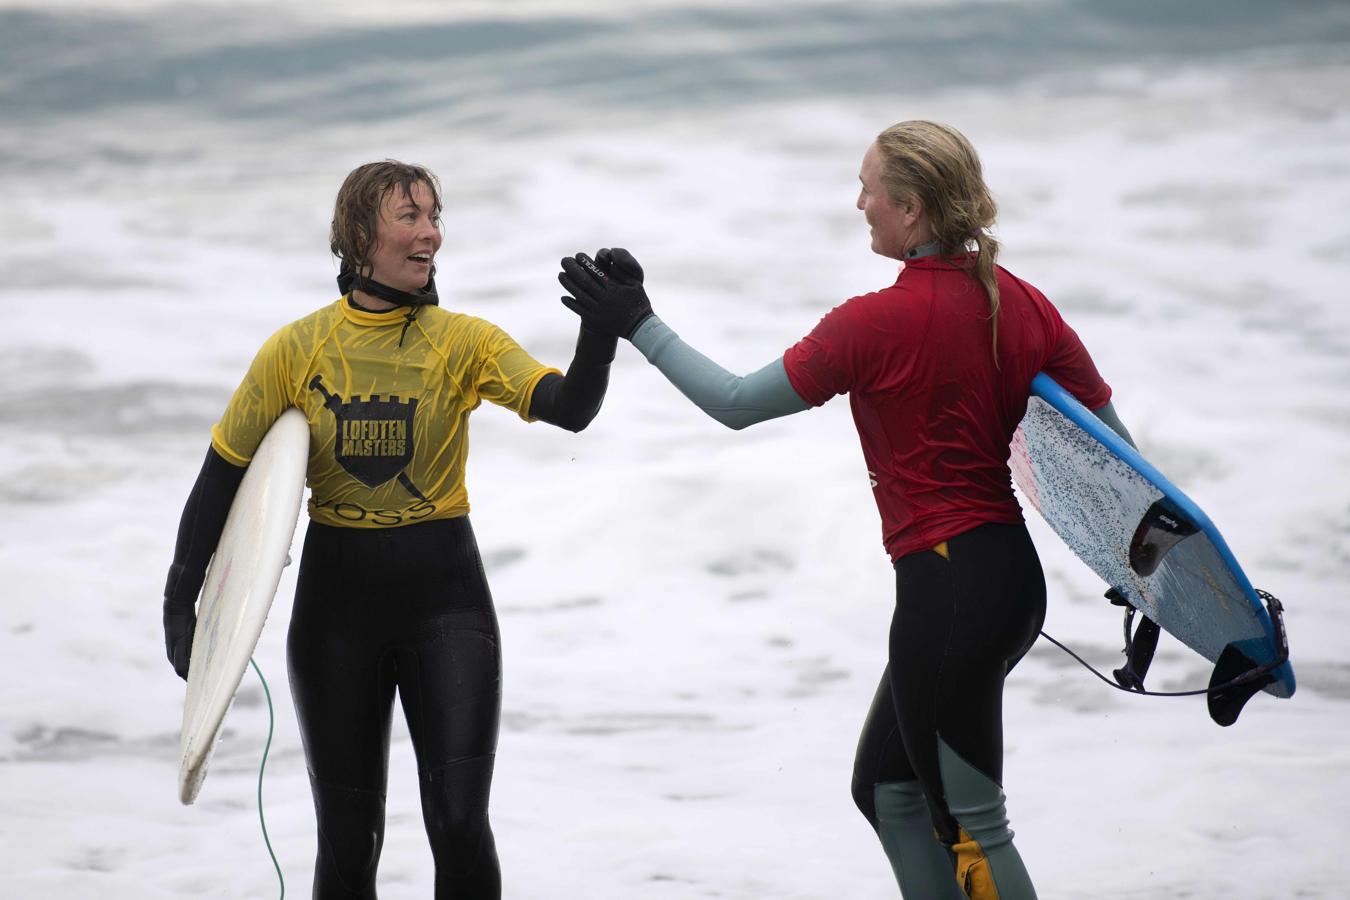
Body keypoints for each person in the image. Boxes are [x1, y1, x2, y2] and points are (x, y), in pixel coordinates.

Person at [557, 120, 1134, 900]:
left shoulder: (874, 324)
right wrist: (1148, 577)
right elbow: (1117, 455)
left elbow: (733, 403)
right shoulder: (1024, 305)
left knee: (973, 826)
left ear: (912, 209)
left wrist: (639, 325)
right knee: (889, 791)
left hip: (949, 591)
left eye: (871, 189)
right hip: (1006, 584)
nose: (859, 202)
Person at [162, 160, 617, 899]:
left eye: (434, 217)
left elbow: (568, 408)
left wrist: (599, 335)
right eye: (410, 217)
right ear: (358, 236)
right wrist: (182, 600)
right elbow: (223, 472)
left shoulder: (463, 342)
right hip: (336, 613)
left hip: (447, 602)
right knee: (347, 846)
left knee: (461, 823)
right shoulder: (296, 350)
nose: (431, 234)